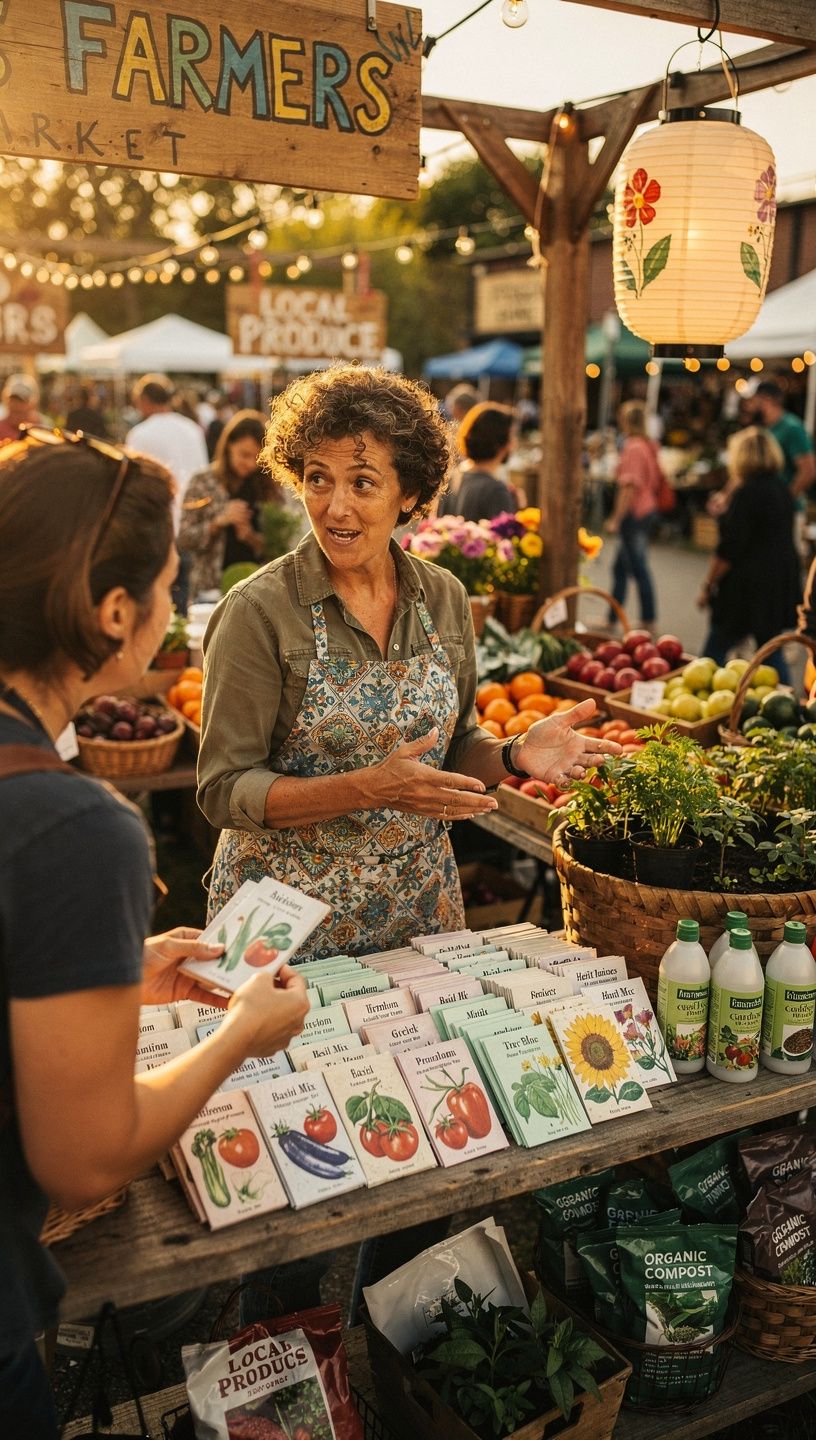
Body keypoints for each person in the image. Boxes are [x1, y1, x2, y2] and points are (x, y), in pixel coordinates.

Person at [197, 364, 618, 1323]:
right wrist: (366, 788)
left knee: (415, 1152)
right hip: (287, 941)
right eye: (316, 475)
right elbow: (222, 789)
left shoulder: (442, 600)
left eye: (362, 479)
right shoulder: (260, 614)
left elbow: (450, 740)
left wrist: (514, 751)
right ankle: (288, 1370)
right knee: (290, 1189)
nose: (334, 503)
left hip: (415, 929)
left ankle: (408, 1347)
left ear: (413, 496)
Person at [0, 431, 309, 1439]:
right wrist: (236, 1040)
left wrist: (111, 976)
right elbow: (86, 1162)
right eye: (173, 586)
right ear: (117, 613)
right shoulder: (80, 829)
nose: (178, 610)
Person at [696, 427, 800, 684]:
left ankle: (702, 700)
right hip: (776, 583)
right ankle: (787, 700)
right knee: (769, 649)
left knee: (713, 652)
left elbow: (729, 549)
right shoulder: (781, 489)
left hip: (746, 587)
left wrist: (708, 585)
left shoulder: (746, 492)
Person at [178, 410, 270, 601]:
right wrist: (218, 522)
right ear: (228, 446)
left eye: (257, 458)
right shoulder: (202, 481)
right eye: (244, 454)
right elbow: (184, 538)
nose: (250, 464)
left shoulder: (267, 487)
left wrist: (250, 537)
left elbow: (281, 547)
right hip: (210, 590)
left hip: (259, 591)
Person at [125, 374, 208, 534]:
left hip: (159, 523)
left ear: (144, 400)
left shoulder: (139, 434)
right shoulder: (192, 428)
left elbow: (133, 482)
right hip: (195, 520)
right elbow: (203, 471)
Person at [606, 399, 662, 629]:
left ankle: (648, 619)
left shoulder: (634, 447)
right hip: (646, 509)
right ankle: (613, 618)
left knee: (638, 567)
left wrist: (615, 519)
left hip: (635, 513)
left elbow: (629, 487)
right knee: (621, 568)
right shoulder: (648, 445)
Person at [437, 401, 518, 521]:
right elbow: (505, 537)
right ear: (500, 443)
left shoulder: (453, 477)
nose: (514, 443)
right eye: (512, 436)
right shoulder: (495, 491)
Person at [0, 374, 42, 443]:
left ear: (32, 404)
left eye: (21, 400)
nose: (16, 404)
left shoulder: (43, 427)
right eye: (12, 399)